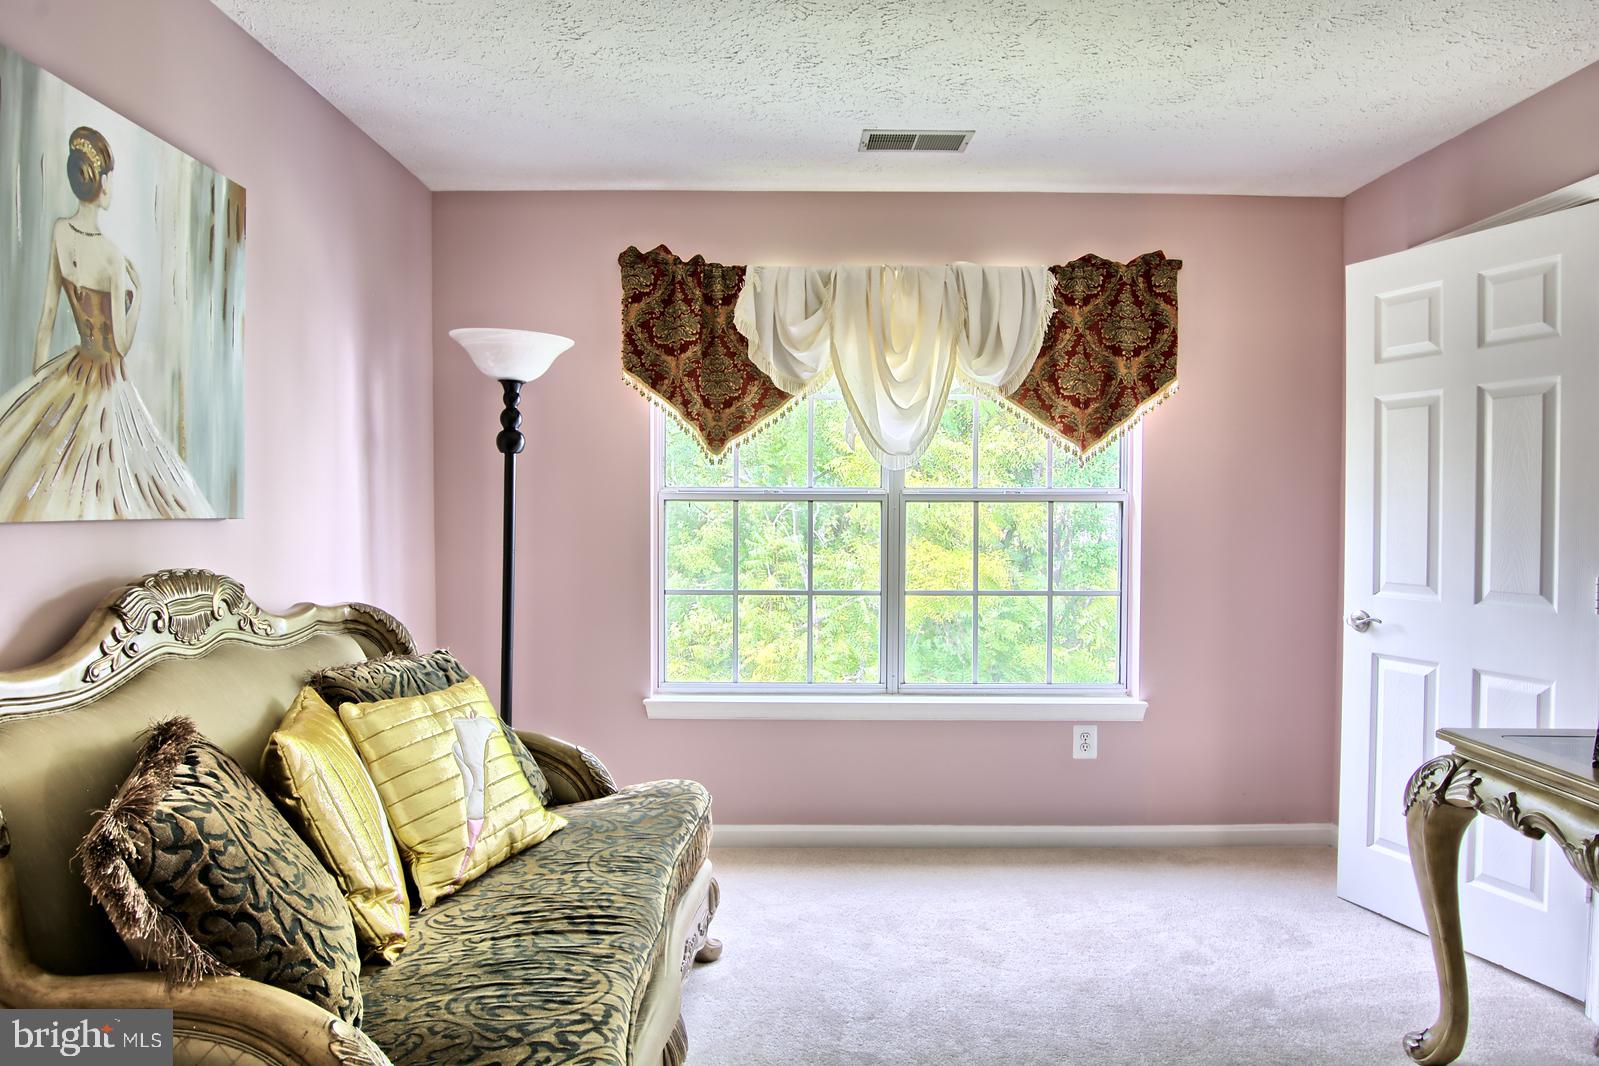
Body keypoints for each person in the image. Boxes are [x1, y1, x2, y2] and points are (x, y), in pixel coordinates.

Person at [0, 126, 212, 521]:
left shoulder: (60, 232)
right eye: (109, 178)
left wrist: (38, 385)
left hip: (70, 369)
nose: (112, 186)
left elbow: (47, 316)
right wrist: (139, 297)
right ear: (98, 184)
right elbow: (121, 346)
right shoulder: (113, 259)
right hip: (106, 382)